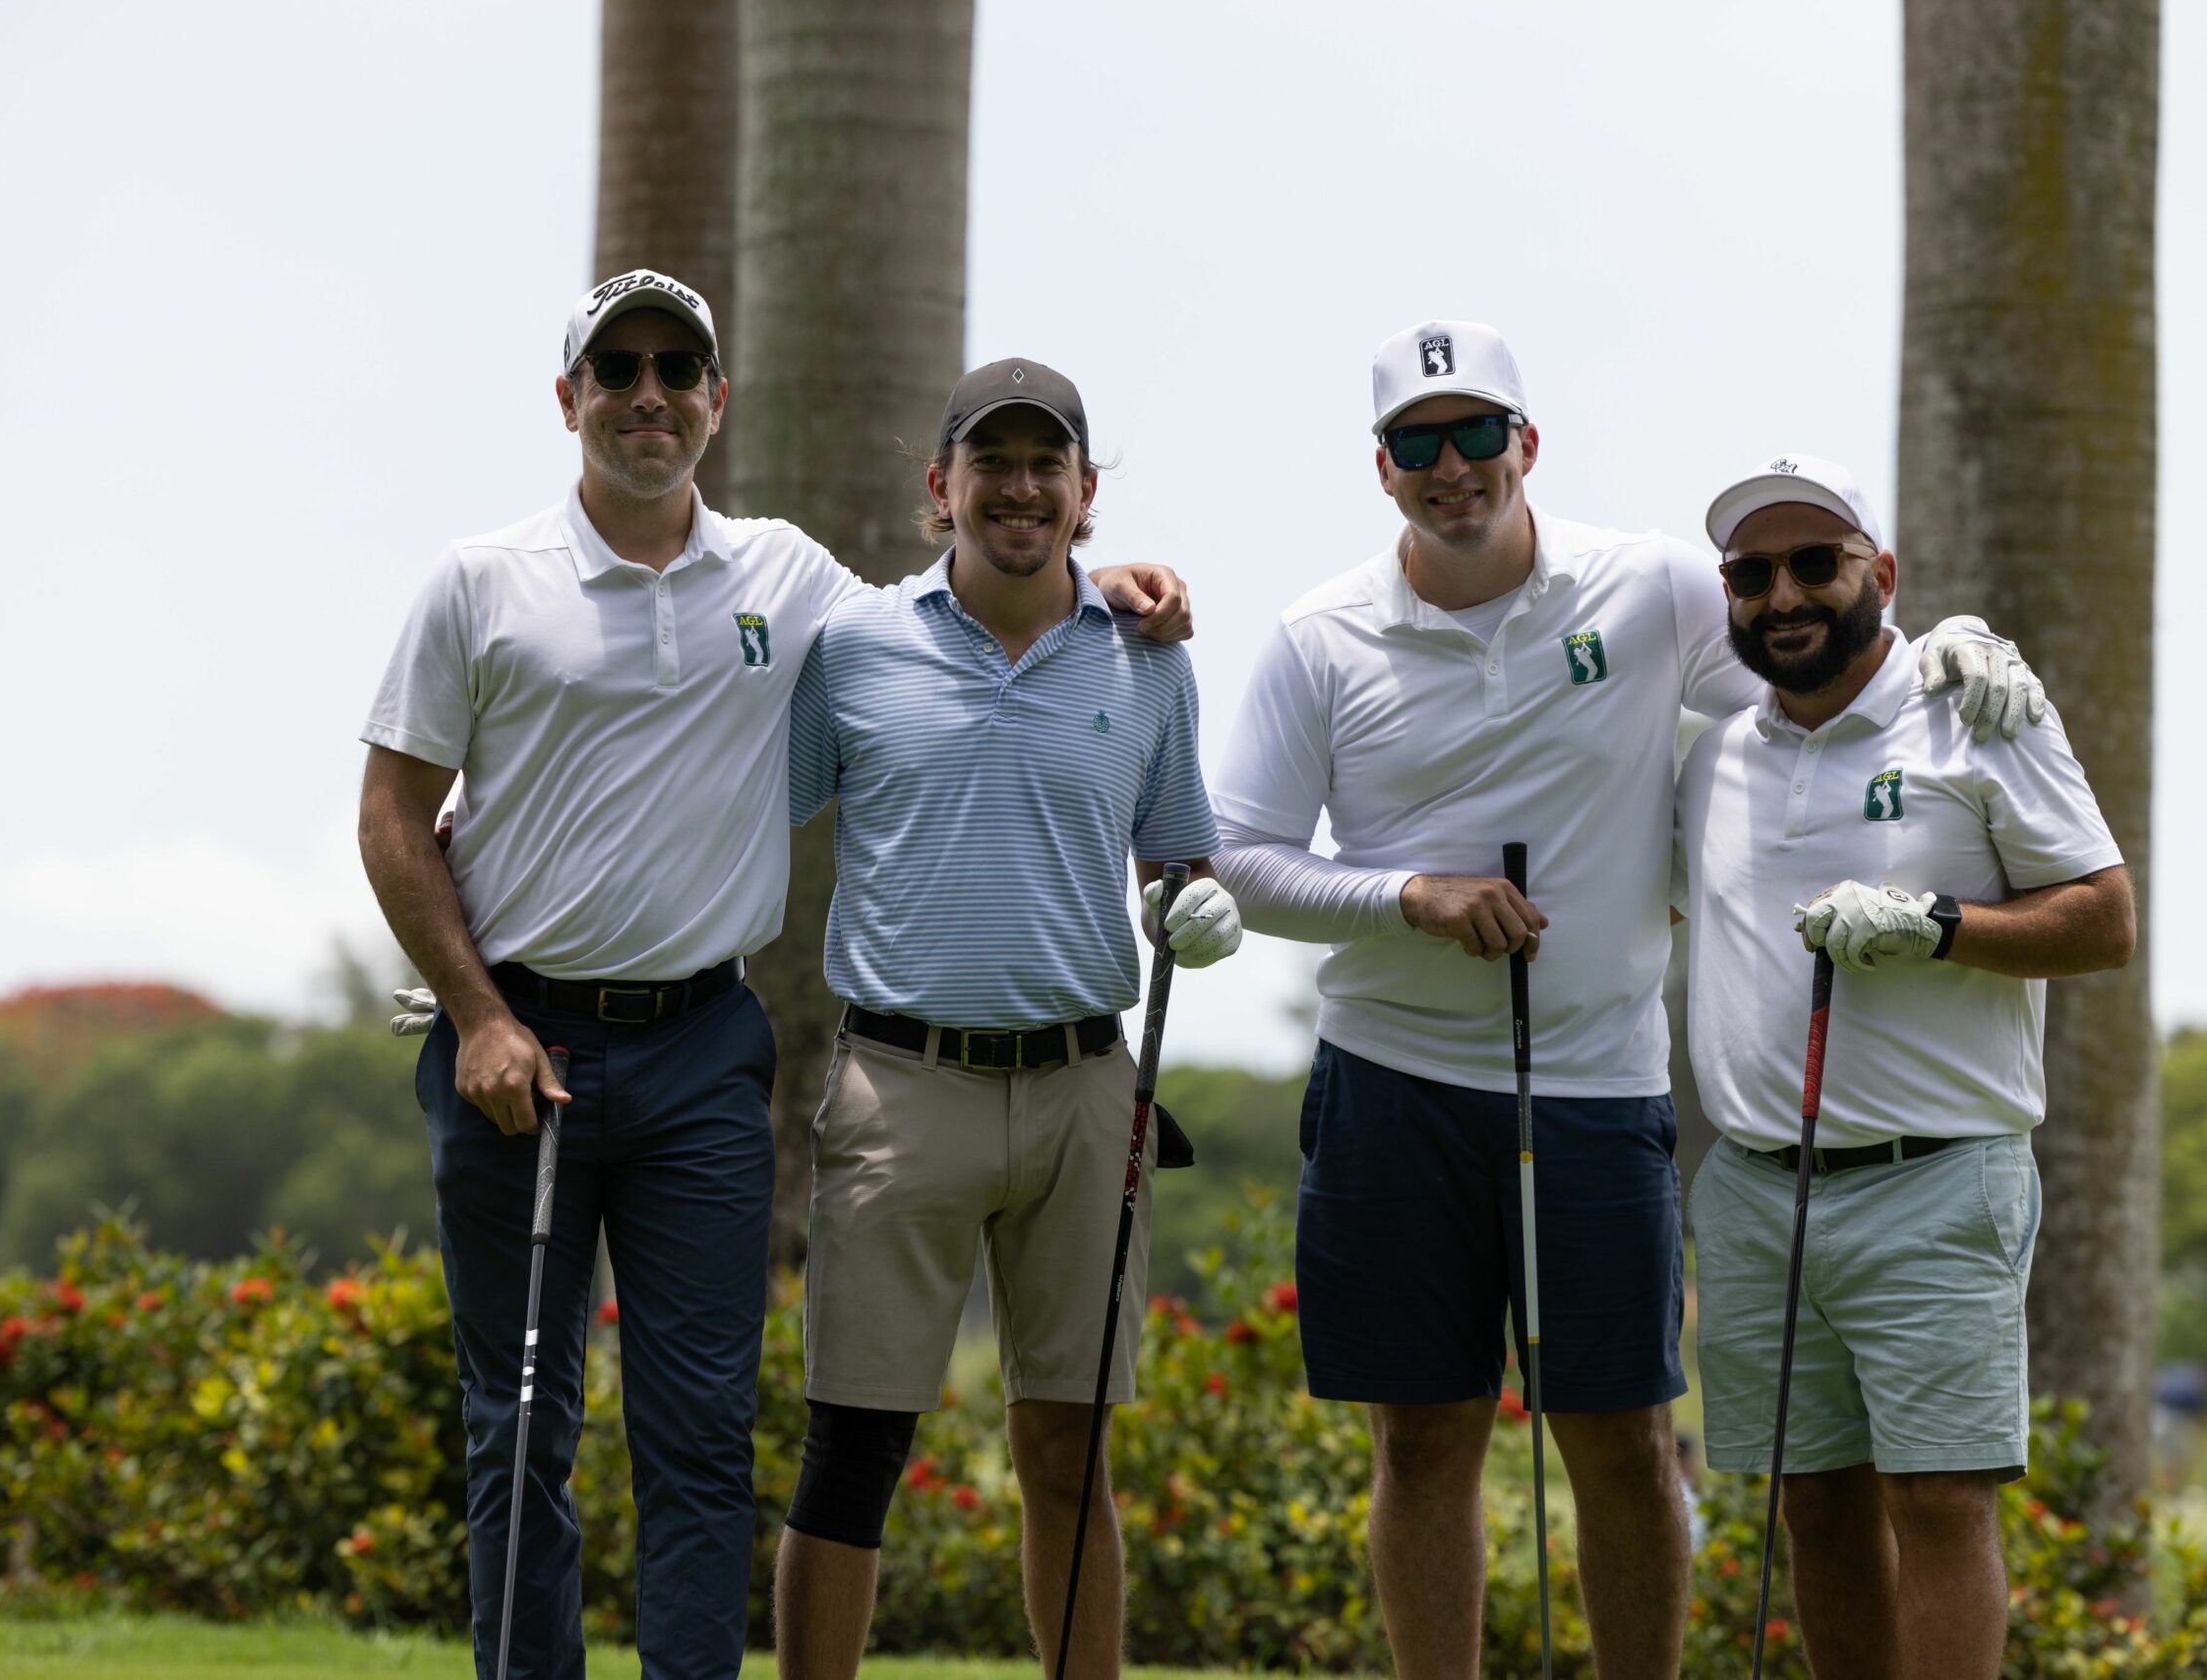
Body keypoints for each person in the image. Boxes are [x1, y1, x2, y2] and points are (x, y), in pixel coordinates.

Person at [356, 273, 1188, 1680]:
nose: (649, 393)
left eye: (677, 369)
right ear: (568, 399)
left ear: (716, 401)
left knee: (698, 1438)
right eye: (617, 369)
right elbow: (391, 816)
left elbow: (948, 628)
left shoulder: (788, 580)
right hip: (514, 1046)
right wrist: (481, 1014)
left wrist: (1090, 585)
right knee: (522, 1423)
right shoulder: (481, 580)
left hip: (701, 1047)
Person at [1210, 320, 2048, 1678]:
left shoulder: (1649, 589)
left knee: (1623, 1442)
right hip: (1389, 1082)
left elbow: (1822, 653)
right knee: (1420, 1441)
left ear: (1525, 444)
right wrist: (1407, 897)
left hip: (1596, 1088)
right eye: (1418, 442)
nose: (1450, 465)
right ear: (1383, 468)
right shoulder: (1320, 638)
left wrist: (1953, 642)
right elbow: (1239, 859)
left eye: (1476, 432)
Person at [769, 358, 1241, 1680]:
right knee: (852, 1449)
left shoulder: (1149, 663)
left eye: (1049, 465)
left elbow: (1177, 862)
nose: (1021, 488)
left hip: (1087, 1089)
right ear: (943, 484)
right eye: (995, 462)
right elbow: (738, 810)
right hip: (899, 1081)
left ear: (1086, 492)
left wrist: (1193, 905)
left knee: (1069, 1451)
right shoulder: (854, 647)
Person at [1676, 452, 2133, 1680]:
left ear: (1880, 571)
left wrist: (1934, 926)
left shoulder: (1978, 712)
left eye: (1814, 563)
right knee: (1814, 1503)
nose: (1784, 595)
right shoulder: (1710, 759)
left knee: (1937, 1499)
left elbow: (2102, 921)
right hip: (1756, 1187)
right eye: (1752, 573)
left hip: (1935, 1177)